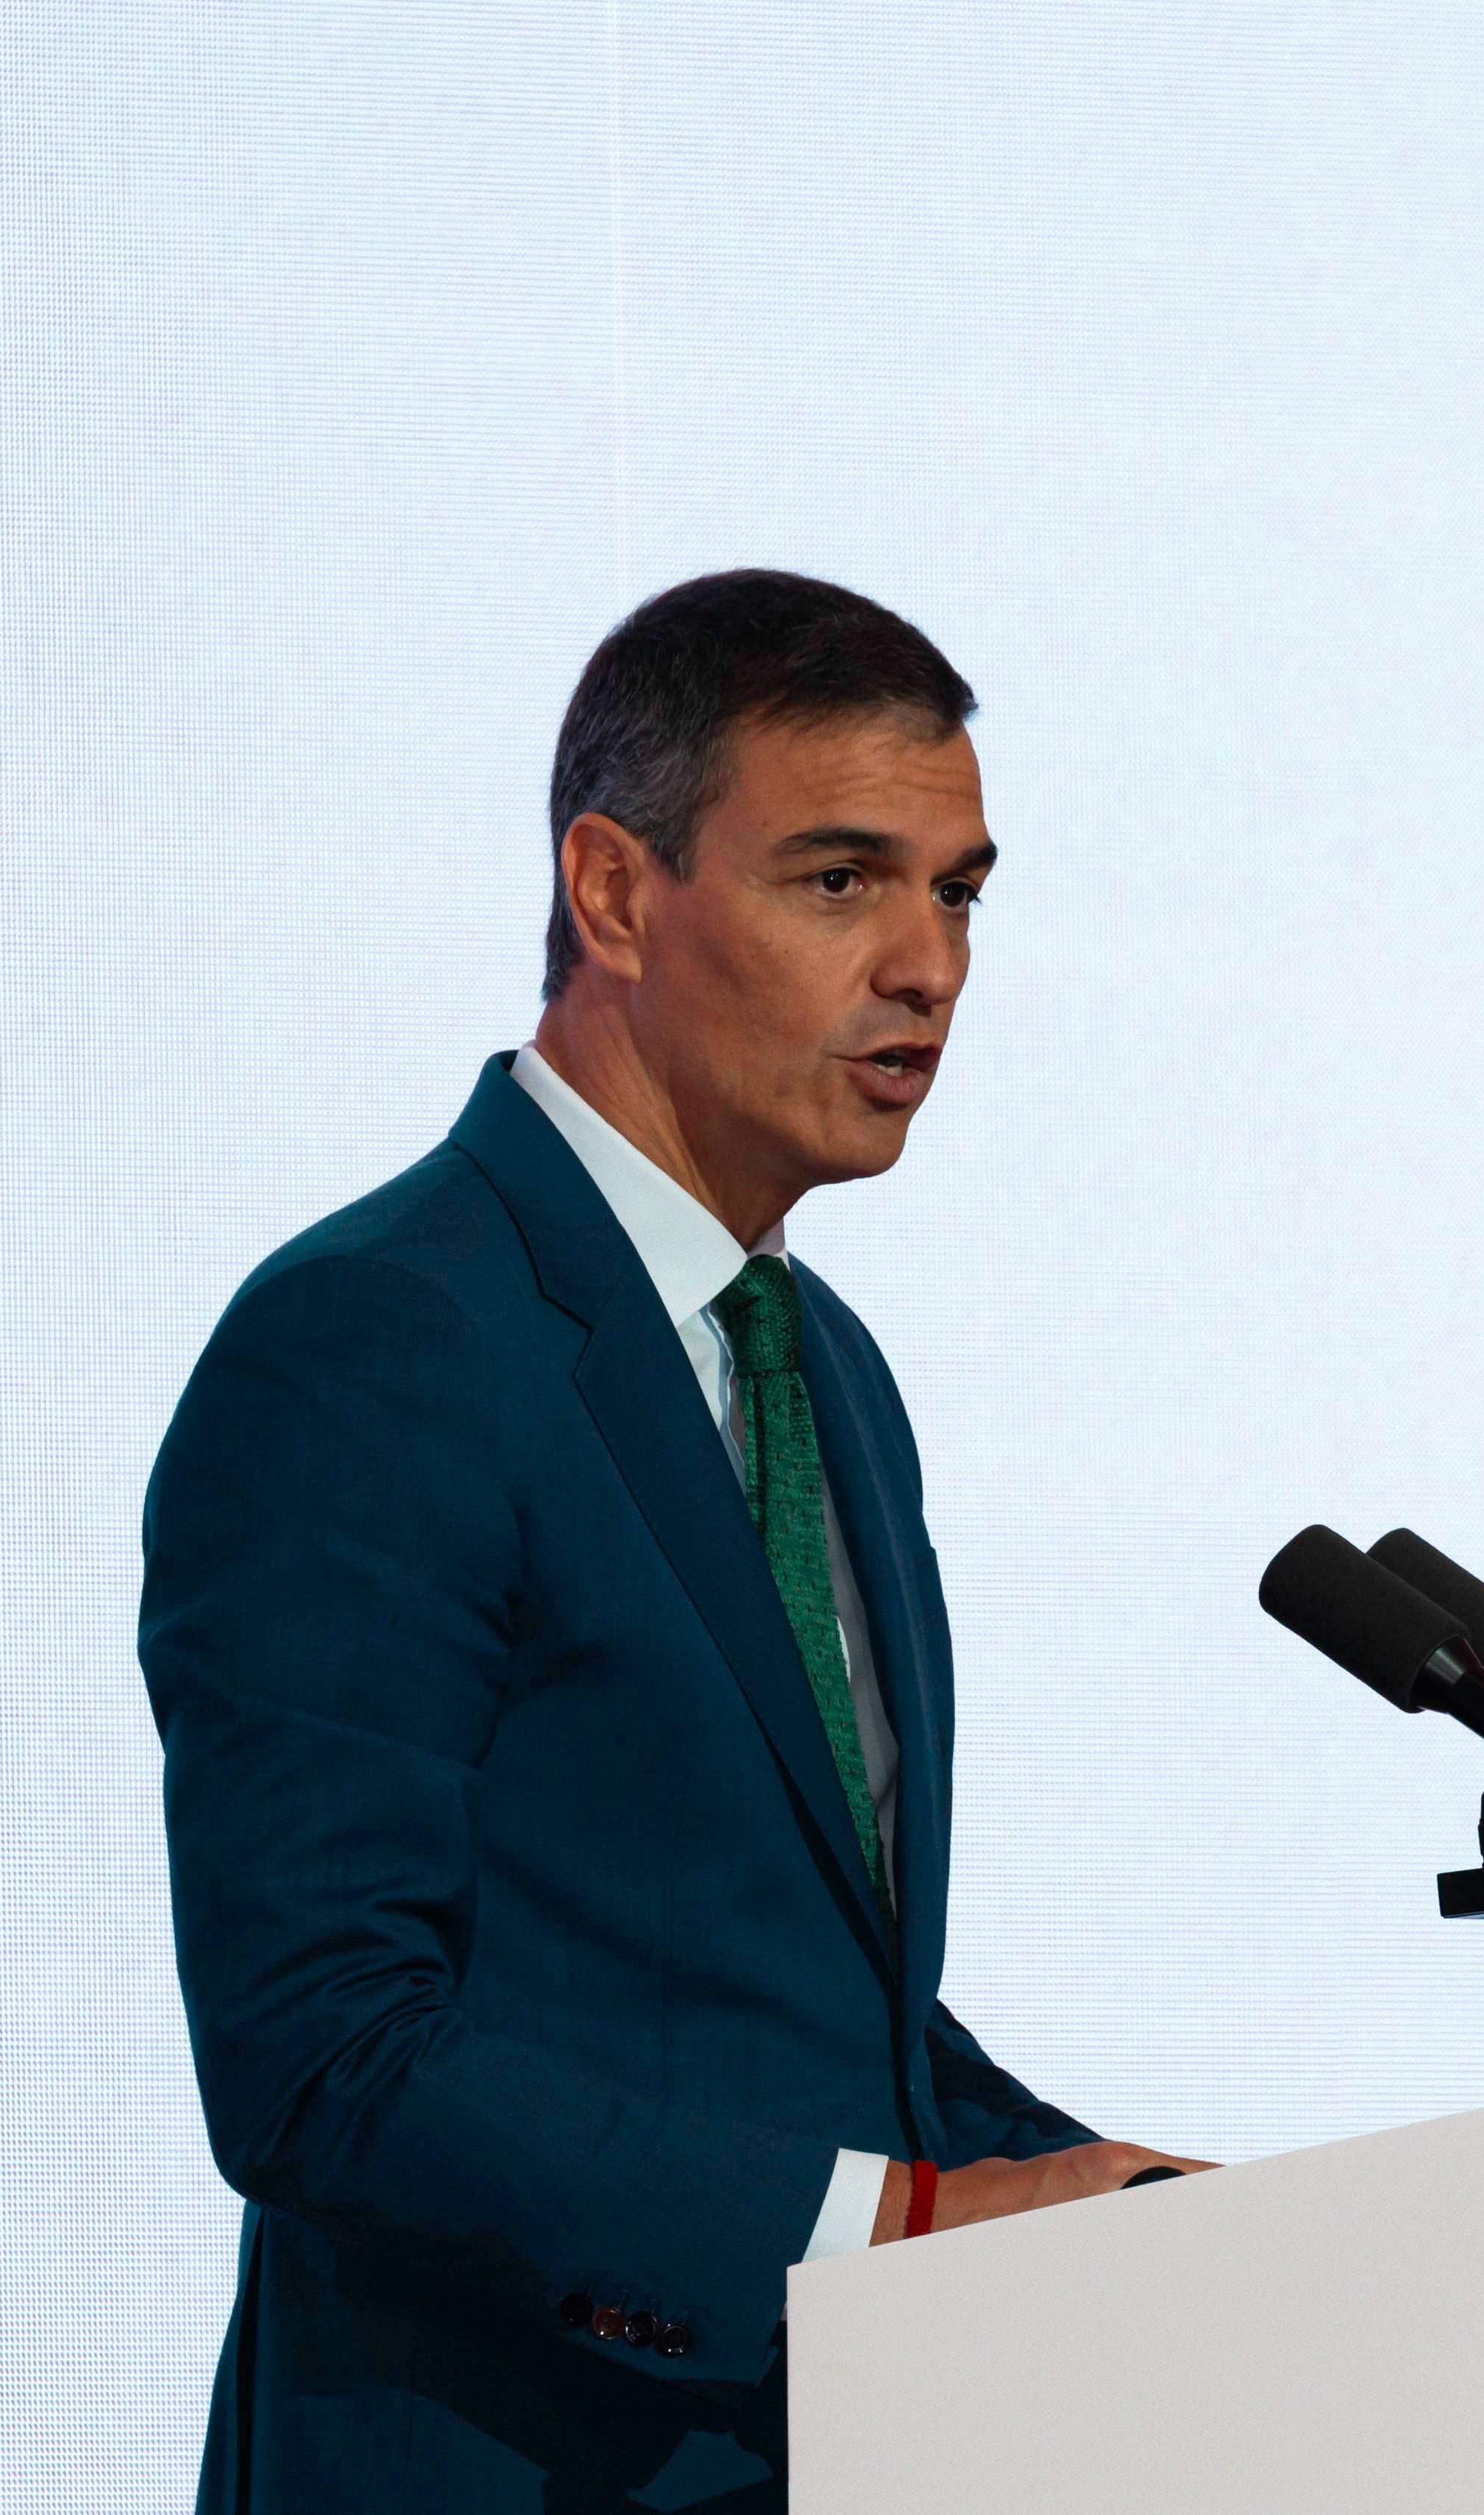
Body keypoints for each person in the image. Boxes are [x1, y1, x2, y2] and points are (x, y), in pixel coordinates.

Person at [141, 570, 1207, 2511]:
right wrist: (902, 2230)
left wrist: (1136, 2212)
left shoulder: (829, 1376)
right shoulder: (381, 1340)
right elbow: (322, 2052)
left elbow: (792, 2010)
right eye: (840, 879)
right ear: (619, 892)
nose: (929, 965)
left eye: (958, 890)